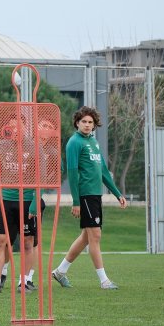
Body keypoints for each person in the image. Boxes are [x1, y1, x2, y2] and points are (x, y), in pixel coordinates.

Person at [52, 106, 127, 290]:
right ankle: (104, 281)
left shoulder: (93, 142)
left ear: (94, 125)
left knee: (87, 237)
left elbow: (102, 171)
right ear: (77, 123)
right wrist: (76, 201)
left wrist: (117, 194)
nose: (87, 125)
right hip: (84, 195)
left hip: (95, 195)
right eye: (83, 121)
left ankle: (60, 271)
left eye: (90, 122)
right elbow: (72, 172)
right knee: (95, 235)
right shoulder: (74, 143)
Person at [0, 116, 41, 295]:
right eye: (11, 125)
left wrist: (34, 204)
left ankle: (24, 282)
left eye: (18, 126)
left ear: (26, 127)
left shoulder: (35, 147)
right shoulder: (0, 146)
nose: (15, 129)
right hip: (4, 200)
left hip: (26, 200)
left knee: (27, 242)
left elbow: (41, 179)